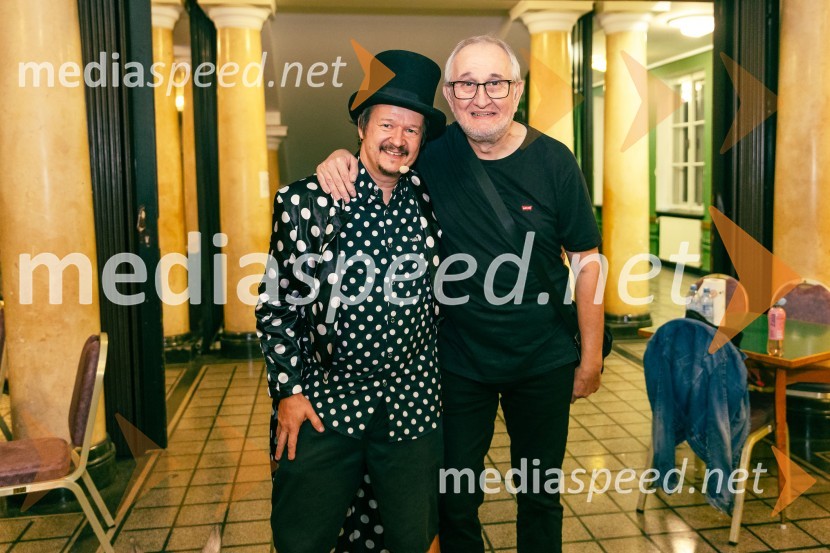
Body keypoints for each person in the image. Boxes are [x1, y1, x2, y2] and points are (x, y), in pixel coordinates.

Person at [315, 35, 604, 553]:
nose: (481, 96)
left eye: (495, 82)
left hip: (542, 360)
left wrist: (590, 358)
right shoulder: (429, 156)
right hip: (457, 362)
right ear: (449, 95)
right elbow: (382, 154)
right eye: (466, 84)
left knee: (540, 494)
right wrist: (339, 156)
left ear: (517, 90)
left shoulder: (556, 162)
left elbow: (587, 263)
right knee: (455, 497)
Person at [255, 49, 447, 553]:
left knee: (411, 536)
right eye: (387, 124)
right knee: (303, 535)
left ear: (422, 140)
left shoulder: (431, 200)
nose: (398, 140)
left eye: (412, 130)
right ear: (362, 128)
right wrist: (288, 393)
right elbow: (276, 307)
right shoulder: (305, 202)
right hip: (325, 402)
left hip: (412, 400)